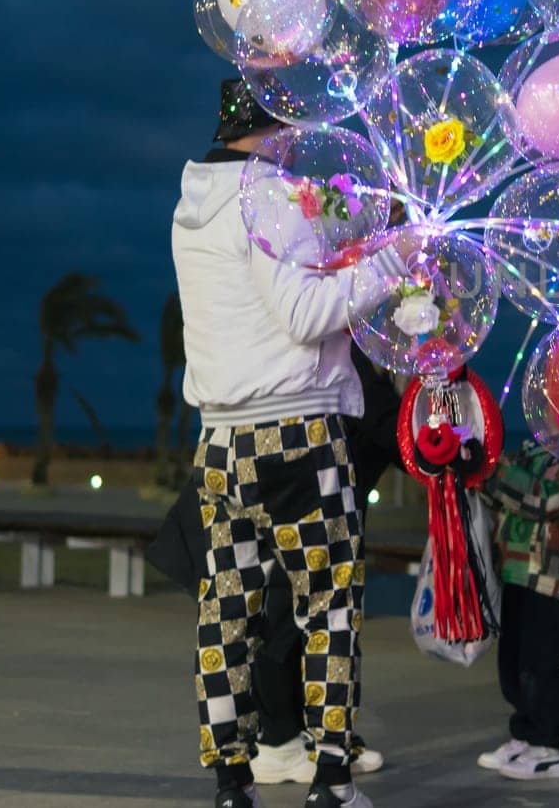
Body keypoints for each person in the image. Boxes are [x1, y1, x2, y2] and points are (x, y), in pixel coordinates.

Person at [161, 78, 398, 808]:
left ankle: (232, 781)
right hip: (297, 433)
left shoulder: (193, 204)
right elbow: (302, 314)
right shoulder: (265, 195)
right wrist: (390, 263)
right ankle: (330, 779)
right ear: (279, 127)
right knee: (326, 608)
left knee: (227, 611)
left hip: (219, 445)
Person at [475, 439, 559, 781]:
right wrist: (474, 468)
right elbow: (502, 494)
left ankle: (550, 748)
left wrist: (490, 468)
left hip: (551, 575)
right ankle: (524, 735)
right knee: (513, 662)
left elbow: (542, 498)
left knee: (540, 662)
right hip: (515, 569)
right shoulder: (533, 449)